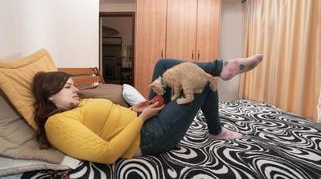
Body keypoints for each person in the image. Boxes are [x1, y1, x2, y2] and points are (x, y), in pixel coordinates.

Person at [32, 55, 263, 164]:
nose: (75, 90)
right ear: (51, 95)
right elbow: (106, 153)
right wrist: (141, 119)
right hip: (148, 138)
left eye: (74, 85)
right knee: (201, 81)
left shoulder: (78, 104)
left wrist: (135, 109)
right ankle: (216, 122)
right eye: (68, 87)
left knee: (162, 64)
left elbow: (108, 123)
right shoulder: (57, 124)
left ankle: (221, 68)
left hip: (142, 119)